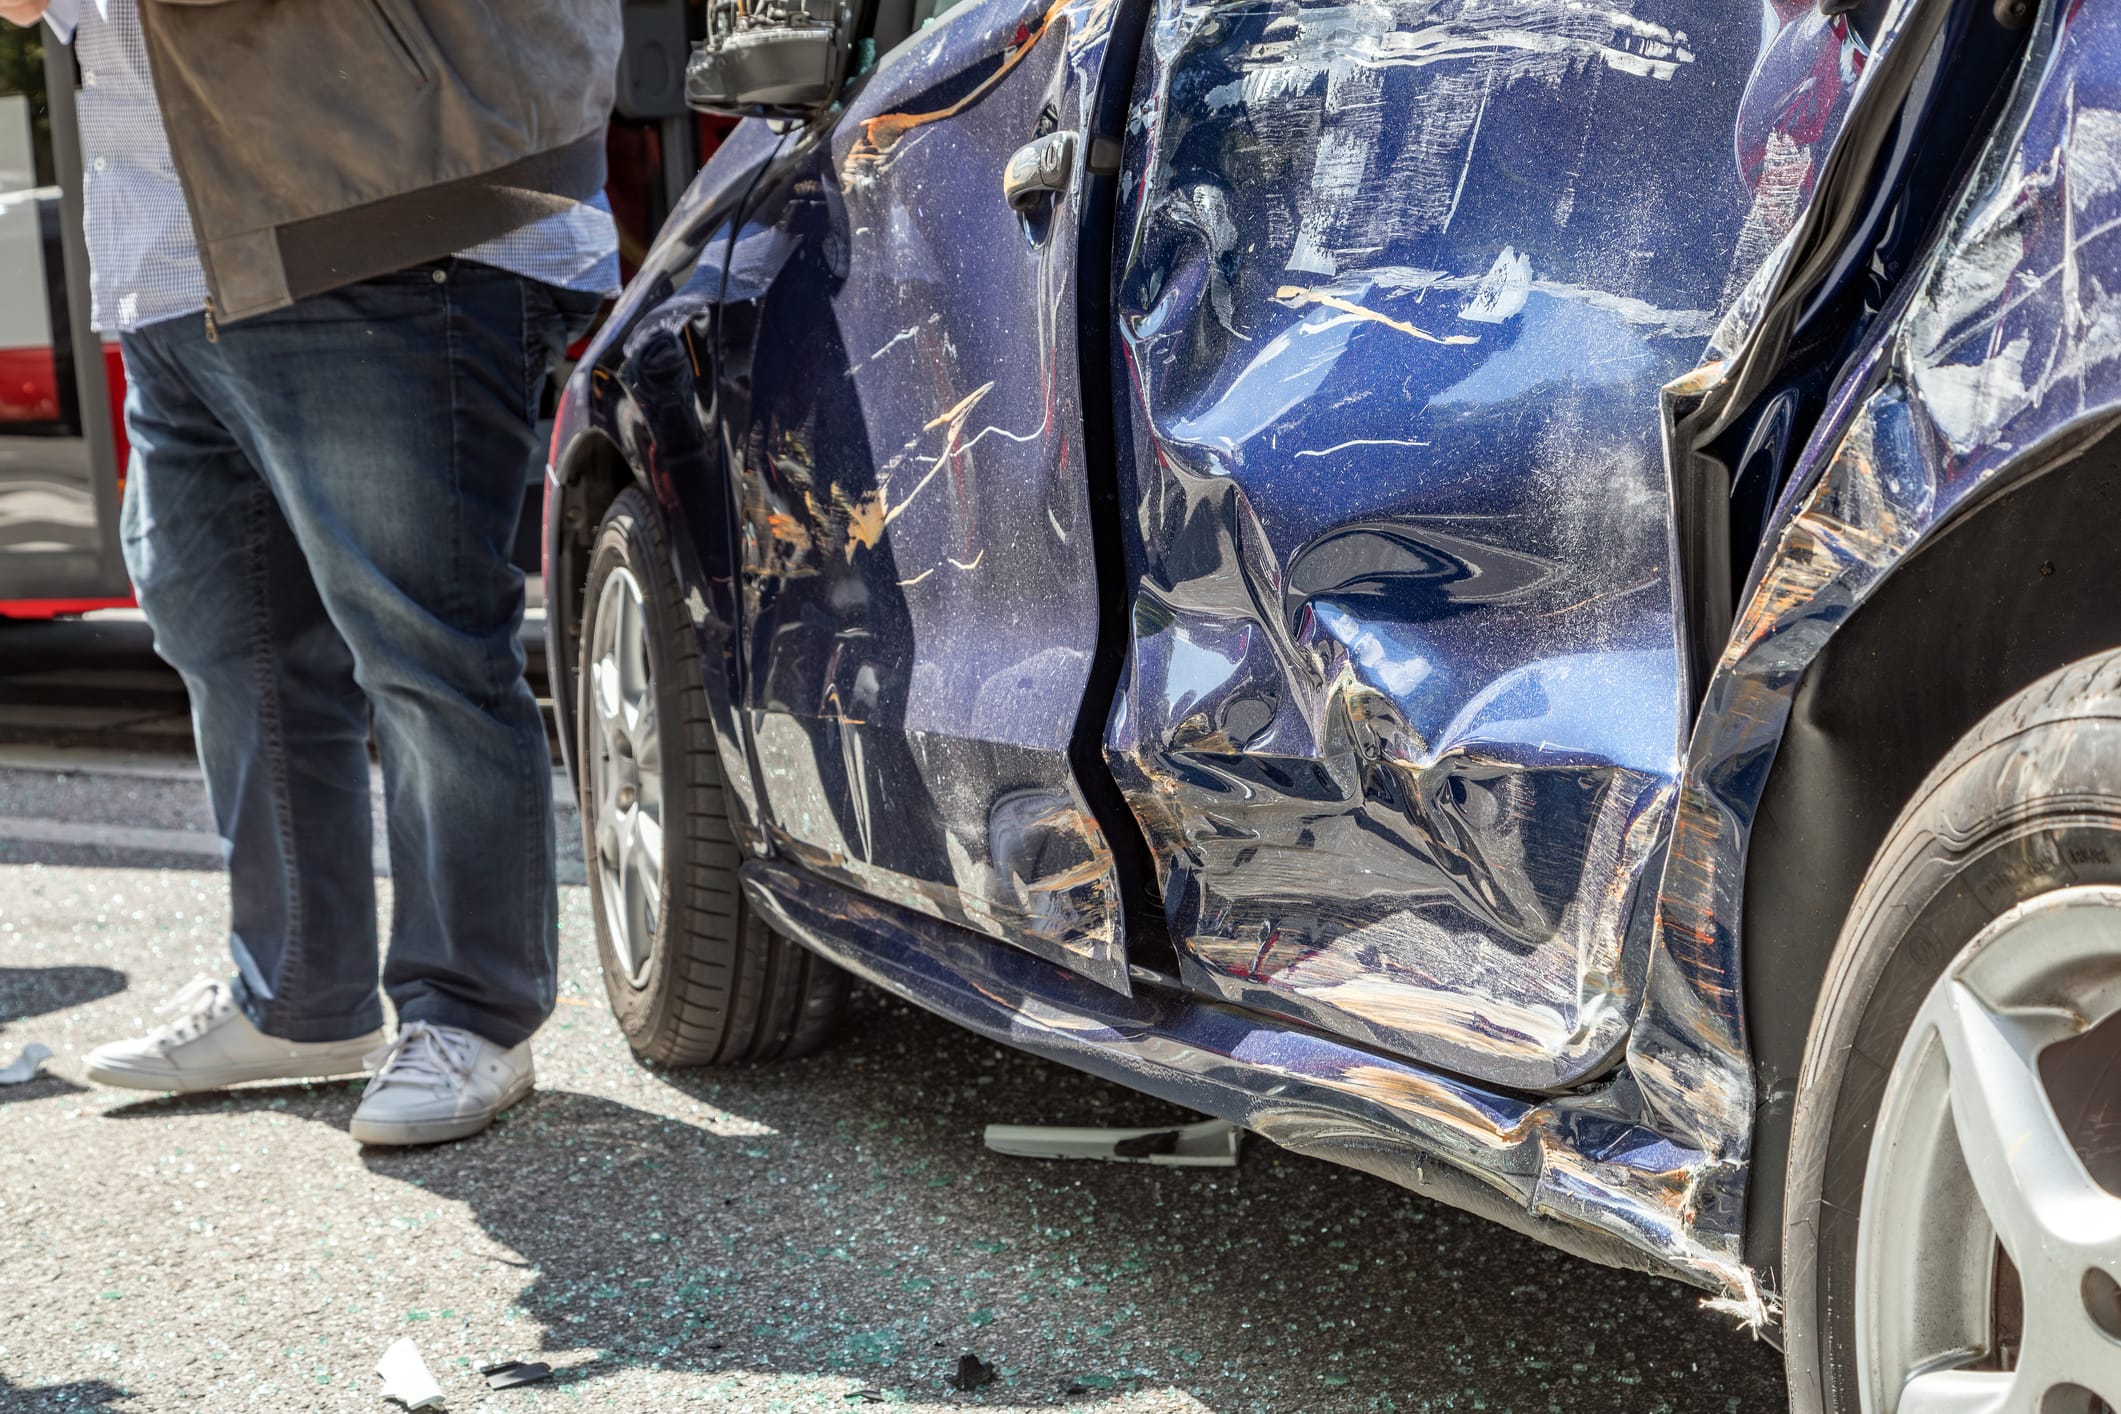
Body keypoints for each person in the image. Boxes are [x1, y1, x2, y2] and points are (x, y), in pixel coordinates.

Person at [0, 0, 622, 1145]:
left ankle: (471, 1010)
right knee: (225, 635)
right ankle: (295, 996)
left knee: (422, 643)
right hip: (174, 253)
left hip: (388, 218)